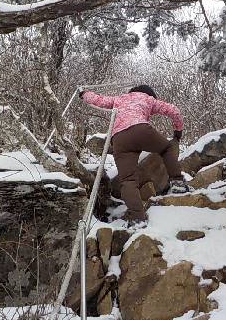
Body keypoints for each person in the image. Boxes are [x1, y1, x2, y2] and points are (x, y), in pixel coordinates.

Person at [79, 84, 190, 226]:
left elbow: (99, 100)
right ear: (149, 94)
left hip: (119, 140)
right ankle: (178, 183)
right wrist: (178, 131)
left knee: (128, 181)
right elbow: (174, 111)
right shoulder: (148, 99)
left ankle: (138, 218)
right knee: (167, 148)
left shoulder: (119, 99)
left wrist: (84, 94)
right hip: (140, 129)